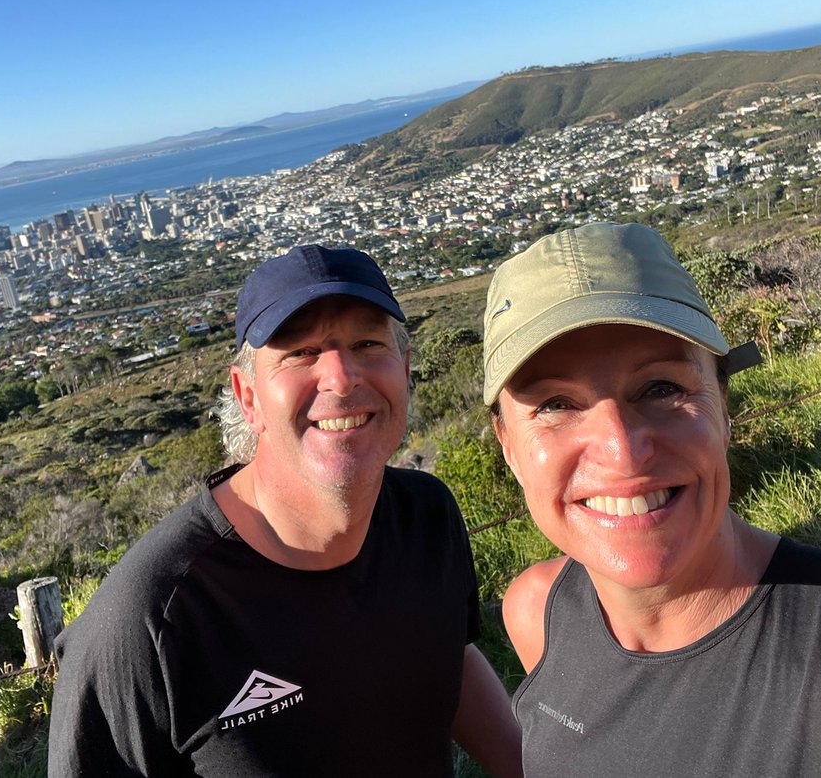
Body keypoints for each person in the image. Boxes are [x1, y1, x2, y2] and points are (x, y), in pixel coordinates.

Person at [483, 221, 821, 777]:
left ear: (724, 409)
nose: (623, 453)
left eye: (662, 388)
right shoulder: (538, 611)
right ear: (508, 445)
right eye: (556, 404)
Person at [49, 244, 522, 777]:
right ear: (247, 396)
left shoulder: (426, 516)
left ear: (405, 368)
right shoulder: (152, 616)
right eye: (300, 352)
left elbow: (445, 653)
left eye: (368, 343)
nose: (341, 378)